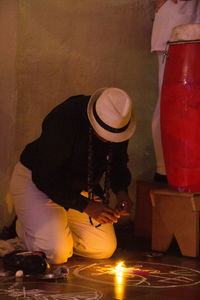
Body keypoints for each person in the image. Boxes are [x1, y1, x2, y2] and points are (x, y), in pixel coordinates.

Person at [9, 87, 136, 264]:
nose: (109, 139)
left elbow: (117, 161)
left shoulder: (119, 123)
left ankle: (52, 226)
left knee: (102, 249)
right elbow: (44, 176)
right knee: (56, 253)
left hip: (77, 190)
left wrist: (122, 192)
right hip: (38, 182)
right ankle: (25, 225)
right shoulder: (65, 119)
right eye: (105, 134)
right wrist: (86, 206)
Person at [151, 0, 200, 183]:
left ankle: (184, 166)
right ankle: (164, 168)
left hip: (188, 24)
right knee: (170, 103)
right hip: (175, 28)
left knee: (189, 106)